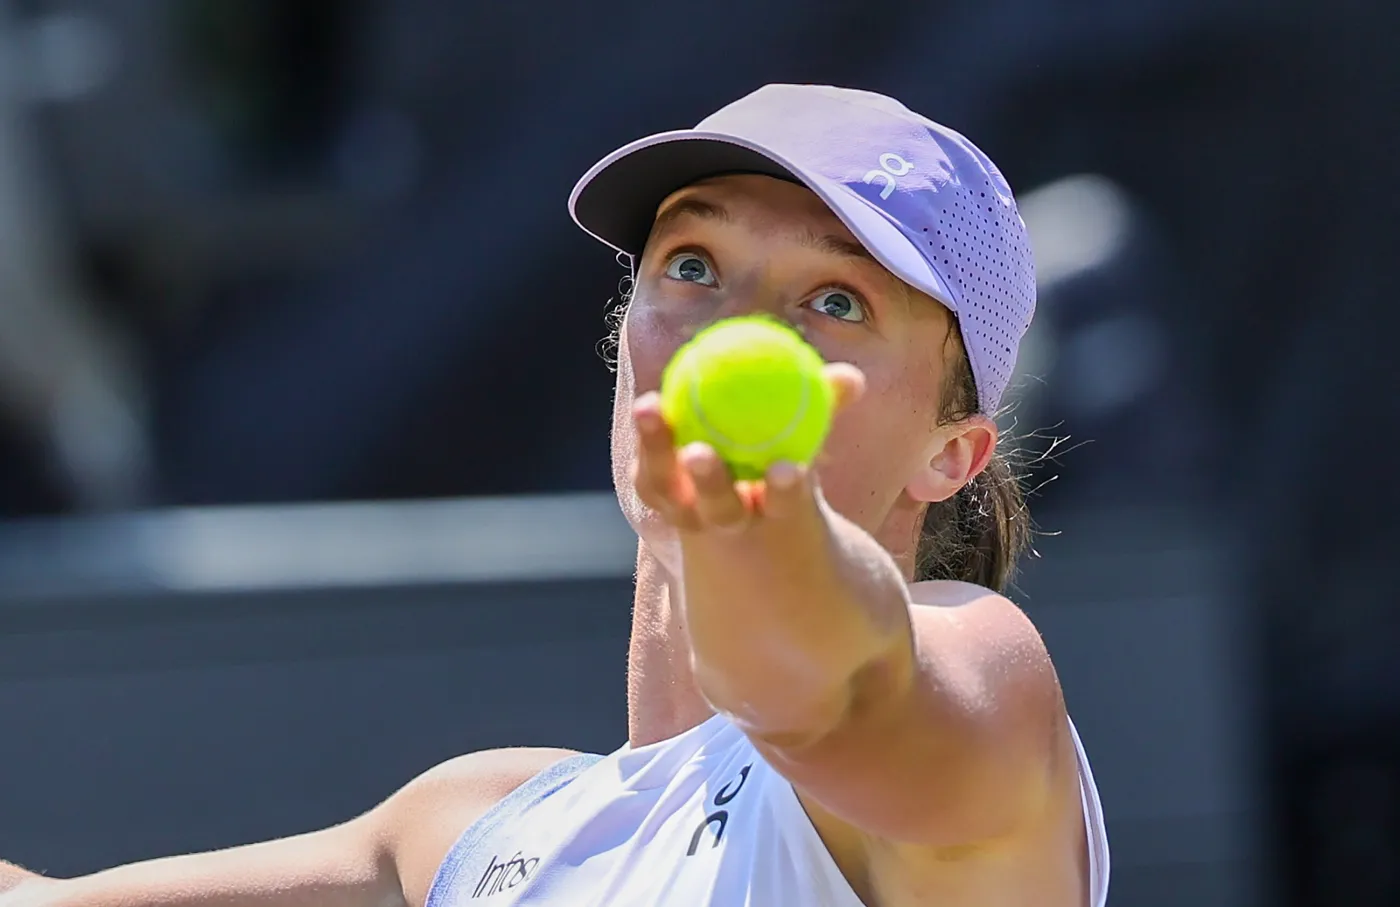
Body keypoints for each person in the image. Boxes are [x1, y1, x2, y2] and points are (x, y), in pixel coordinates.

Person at [0, 84, 1109, 907]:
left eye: (833, 297)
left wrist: (764, 549)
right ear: (623, 337)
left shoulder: (981, 684)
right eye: (690, 264)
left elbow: (836, 687)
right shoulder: (473, 826)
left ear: (950, 455)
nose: (735, 326)